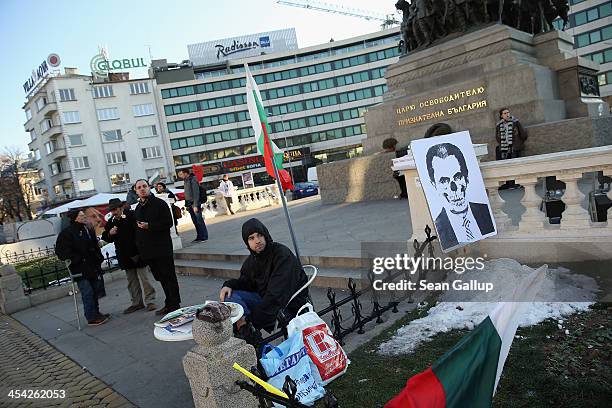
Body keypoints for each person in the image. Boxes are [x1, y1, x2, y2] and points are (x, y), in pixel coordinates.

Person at [219, 218, 308, 342]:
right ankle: (247, 333)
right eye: (251, 238)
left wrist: (252, 320)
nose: (257, 241)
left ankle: (248, 336)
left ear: (265, 235)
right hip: (266, 302)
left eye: (259, 235)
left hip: (287, 307)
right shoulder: (252, 260)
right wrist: (229, 284)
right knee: (231, 296)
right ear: (247, 242)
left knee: (245, 327)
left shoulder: (281, 254)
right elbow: (247, 282)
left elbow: (277, 295)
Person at [426, 142, 495, 251]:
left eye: (457, 177)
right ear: (434, 185)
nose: (453, 188)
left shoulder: (486, 212)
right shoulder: (439, 228)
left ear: (466, 178)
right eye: (444, 181)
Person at [133, 179, 181, 316]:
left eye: (144, 186)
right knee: (161, 278)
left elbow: (168, 223)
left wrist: (150, 226)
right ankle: (169, 302)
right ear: (136, 191)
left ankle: (174, 304)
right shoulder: (138, 207)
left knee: (169, 277)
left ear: (149, 188)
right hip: (149, 252)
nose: (142, 189)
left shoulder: (159, 203)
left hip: (162, 249)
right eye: (139, 187)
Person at [102, 198, 157, 314]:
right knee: (131, 281)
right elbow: (105, 237)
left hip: (138, 252)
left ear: (121, 207)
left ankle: (150, 301)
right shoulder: (111, 222)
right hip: (124, 255)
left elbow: (141, 230)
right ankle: (136, 303)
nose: (113, 212)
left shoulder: (132, 215)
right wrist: (110, 233)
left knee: (144, 279)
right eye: (111, 210)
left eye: (115, 209)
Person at [55, 209, 110, 326]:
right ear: (75, 218)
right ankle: (91, 317)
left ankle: (96, 313)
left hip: (92, 266)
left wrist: (99, 257)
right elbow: (61, 252)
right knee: (87, 292)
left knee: (95, 290)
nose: (84, 217)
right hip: (80, 268)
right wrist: (77, 258)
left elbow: (94, 245)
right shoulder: (67, 233)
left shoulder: (87, 229)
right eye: (81, 216)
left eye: (84, 215)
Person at [177, 169, 208, 242]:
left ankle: (204, 236)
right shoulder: (186, 180)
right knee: (195, 221)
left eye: (181, 174)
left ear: (185, 173)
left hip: (194, 203)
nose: (180, 176)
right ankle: (199, 236)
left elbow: (196, 193)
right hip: (189, 203)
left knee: (199, 220)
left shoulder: (193, 179)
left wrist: (195, 205)